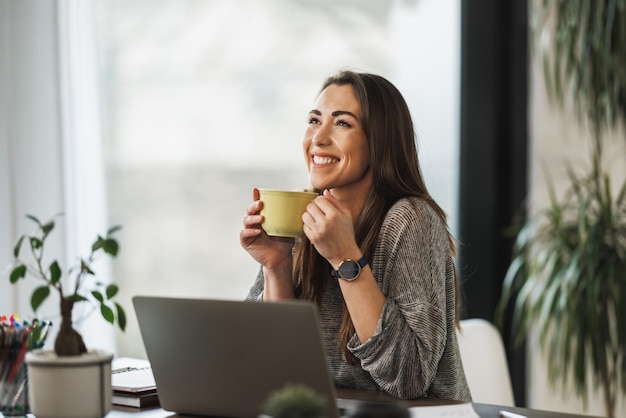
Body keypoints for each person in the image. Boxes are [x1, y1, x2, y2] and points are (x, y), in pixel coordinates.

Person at [240, 70, 471, 401]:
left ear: (378, 141)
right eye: (313, 120)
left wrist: (344, 257)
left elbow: (408, 379)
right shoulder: (302, 215)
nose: (318, 138)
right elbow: (268, 368)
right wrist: (276, 267)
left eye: (342, 123)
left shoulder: (411, 220)